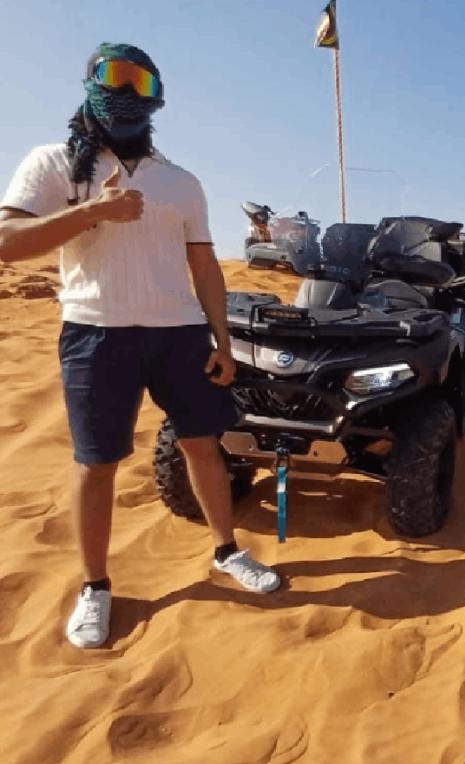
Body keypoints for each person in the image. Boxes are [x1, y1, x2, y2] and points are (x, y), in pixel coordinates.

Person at [0, 43, 280, 649]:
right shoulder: (53, 163)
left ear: (158, 95)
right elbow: (7, 241)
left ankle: (227, 551)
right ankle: (95, 587)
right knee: (96, 463)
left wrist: (222, 340)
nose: (126, 91)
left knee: (202, 446)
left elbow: (204, 266)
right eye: (113, 76)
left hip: (179, 333)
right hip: (95, 333)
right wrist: (91, 212)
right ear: (89, 82)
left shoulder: (181, 181)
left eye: (140, 81)